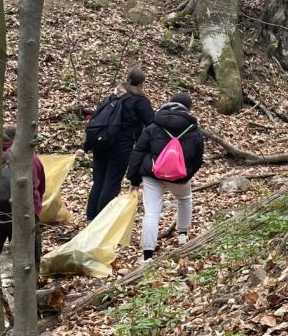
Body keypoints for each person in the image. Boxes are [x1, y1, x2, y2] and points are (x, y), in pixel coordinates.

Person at [127, 91, 204, 261]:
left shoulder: (154, 126)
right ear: (188, 108)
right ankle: (183, 234)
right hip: (179, 176)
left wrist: (134, 180)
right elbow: (198, 158)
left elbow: (138, 152)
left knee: (151, 212)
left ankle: (147, 255)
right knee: (185, 199)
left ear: (169, 104)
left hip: (152, 173)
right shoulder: (193, 130)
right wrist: (188, 173)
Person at [85, 67, 154, 221]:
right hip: (121, 146)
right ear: (142, 83)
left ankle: (90, 218)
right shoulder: (139, 100)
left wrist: (86, 146)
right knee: (112, 183)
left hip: (101, 142)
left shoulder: (114, 95)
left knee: (98, 182)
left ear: (127, 79)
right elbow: (151, 123)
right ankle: (101, 222)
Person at [0, 127, 46, 267]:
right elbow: (40, 187)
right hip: (25, 211)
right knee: (29, 257)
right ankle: (31, 279)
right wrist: (36, 211)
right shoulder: (30, 158)